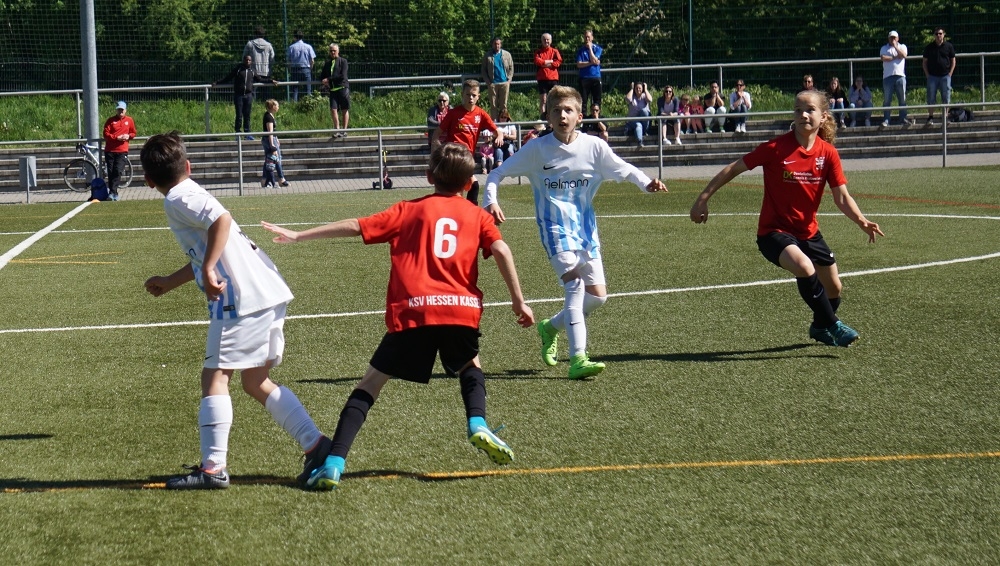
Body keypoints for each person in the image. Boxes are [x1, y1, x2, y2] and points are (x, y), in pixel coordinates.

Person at [259, 143, 535, 489]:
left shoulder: (408, 210)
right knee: (469, 366)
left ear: (428, 176)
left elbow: (356, 226)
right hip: (460, 310)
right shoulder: (478, 215)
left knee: (370, 385)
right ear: (469, 184)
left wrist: (300, 235)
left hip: (414, 311)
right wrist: (518, 301)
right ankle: (478, 423)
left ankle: (333, 462)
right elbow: (501, 249)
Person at [139, 131, 335, 491]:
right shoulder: (189, 190)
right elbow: (209, 247)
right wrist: (171, 281)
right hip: (265, 289)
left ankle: (213, 468)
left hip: (240, 299)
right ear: (188, 166)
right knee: (255, 381)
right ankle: (316, 444)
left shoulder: (178, 198)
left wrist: (208, 268)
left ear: (148, 181)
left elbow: (221, 220)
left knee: (215, 377)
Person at [483, 86, 668, 379]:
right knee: (575, 286)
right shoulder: (536, 149)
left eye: (568, 110)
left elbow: (625, 169)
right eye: (556, 110)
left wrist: (647, 183)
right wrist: (490, 201)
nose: (562, 116)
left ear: (580, 116)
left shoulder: (594, 147)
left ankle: (550, 327)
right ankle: (578, 358)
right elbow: (496, 173)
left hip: (586, 230)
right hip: (554, 229)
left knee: (598, 297)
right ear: (548, 116)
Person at [689, 90, 885, 347]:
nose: (803, 114)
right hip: (774, 233)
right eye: (798, 110)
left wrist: (861, 220)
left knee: (834, 288)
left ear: (824, 116)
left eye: (810, 110)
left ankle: (819, 326)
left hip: (809, 233)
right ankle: (833, 325)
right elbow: (733, 168)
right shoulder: (775, 148)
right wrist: (702, 199)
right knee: (805, 267)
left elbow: (842, 197)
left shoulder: (828, 154)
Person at [437, 79, 502, 205]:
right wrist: (436, 145)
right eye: (468, 95)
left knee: (469, 187)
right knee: (469, 186)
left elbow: (497, 131)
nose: (470, 98)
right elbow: (437, 133)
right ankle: (466, 212)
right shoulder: (453, 113)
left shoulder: (481, 114)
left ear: (478, 96)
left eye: (473, 95)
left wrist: (499, 136)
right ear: (462, 94)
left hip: (467, 158)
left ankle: (462, 211)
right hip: (455, 156)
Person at [213, 55, 277, 140]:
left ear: (251, 61)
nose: (248, 61)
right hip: (239, 95)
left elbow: (260, 79)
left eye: (249, 60)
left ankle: (247, 133)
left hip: (248, 96)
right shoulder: (238, 69)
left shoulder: (252, 71)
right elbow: (228, 77)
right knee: (239, 115)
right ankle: (238, 133)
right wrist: (217, 82)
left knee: (247, 115)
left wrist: (271, 80)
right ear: (243, 60)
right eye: (246, 60)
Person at [102, 100, 136, 201]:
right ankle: (113, 192)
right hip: (110, 150)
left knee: (118, 170)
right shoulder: (110, 120)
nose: (120, 111)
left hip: (122, 150)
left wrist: (128, 136)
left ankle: (112, 192)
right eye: (119, 110)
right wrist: (116, 137)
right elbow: (106, 134)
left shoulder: (129, 120)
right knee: (110, 171)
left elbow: (133, 133)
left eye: (122, 110)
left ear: (125, 110)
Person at [923, 26, 957, 125]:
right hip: (932, 76)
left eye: (940, 33)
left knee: (946, 96)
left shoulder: (949, 46)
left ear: (944, 35)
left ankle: (945, 117)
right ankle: (930, 117)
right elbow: (924, 62)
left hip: (945, 76)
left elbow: (953, 60)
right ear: (934, 35)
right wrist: (927, 75)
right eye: (936, 34)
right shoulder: (929, 47)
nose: (938, 35)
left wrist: (950, 73)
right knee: (931, 97)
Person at [880, 30, 912, 127]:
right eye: (891, 38)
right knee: (887, 100)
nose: (892, 39)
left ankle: (903, 118)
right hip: (887, 77)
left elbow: (904, 55)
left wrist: (895, 47)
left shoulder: (902, 46)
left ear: (898, 38)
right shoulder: (884, 48)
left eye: (894, 38)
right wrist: (895, 57)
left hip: (900, 76)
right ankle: (886, 119)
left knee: (902, 99)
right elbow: (883, 58)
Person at [320, 44, 350, 137]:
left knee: (344, 109)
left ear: (338, 51)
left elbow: (342, 76)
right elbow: (322, 75)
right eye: (331, 51)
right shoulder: (327, 63)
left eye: (334, 51)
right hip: (333, 90)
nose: (332, 52)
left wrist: (329, 79)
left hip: (342, 88)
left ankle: (344, 130)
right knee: (333, 109)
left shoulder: (343, 61)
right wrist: (324, 80)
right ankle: (337, 129)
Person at [481, 37, 513, 120]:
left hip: (504, 83)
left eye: (498, 44)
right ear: (492, 45)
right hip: (493, 84)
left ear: (501, 44)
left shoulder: (507, 54)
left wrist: (509, 80)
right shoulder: (487, 56)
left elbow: (511, 67)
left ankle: (504, 122)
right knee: (493, 105)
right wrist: (488, 82)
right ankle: (494, 122)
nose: (497, 46)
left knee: (504, 105)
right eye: (495, 44)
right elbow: (483, 70)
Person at [534, 33, 563, 120]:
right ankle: (543, 119)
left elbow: (558, 62)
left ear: (551, 41)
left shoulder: (555, 51)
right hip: (542, 79)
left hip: (553, 78)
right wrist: (550, 61)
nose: (546, 41)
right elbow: (538, 61)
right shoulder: (538, 52)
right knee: (543, 100)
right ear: (541, 41)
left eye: (548, 39)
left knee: (554, 99)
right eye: (544, 39)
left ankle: (554, 117)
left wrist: (545, 63)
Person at [261, 99, 289, 188]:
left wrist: (276, 138)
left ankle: (265, 180)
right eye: (277, 105)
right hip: (269, 140)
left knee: (269, 160)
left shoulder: (270, 115)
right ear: (273, 107)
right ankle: (281, 179)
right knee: (276, 159)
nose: (278, 107)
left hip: (272, 139)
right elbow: (270, 132)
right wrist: (272, 144)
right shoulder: (268, 117)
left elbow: (273, 132)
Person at [243, 26, 275, 101]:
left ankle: (253, 105)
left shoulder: (250, 44)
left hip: (253, 72)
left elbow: (244, 57)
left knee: (252, 92)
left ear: (255, 34)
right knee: (266, 94)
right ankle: (266, 105)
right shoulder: (269, 45)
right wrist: (269, 68)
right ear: (263, 35)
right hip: (266, 72)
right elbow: (272, 59)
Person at [575, 30, 603, 111]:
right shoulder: (580, 50)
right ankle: (583, 117)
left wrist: (590, 48)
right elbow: (579, 64)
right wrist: (591, 63)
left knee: (597, 101)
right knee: (583, 101)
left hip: (595, 77)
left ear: (592, 37)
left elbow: (594, 59)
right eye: (585, 37)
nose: (587, 39)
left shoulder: (597, 48)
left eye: (588, 37)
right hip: (584, 78)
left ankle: (596, 117)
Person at [286, 30, 316, 102]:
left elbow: (288, 61)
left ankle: (294, 104)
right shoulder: (308, 47)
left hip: (295, 69)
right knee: (308, 89)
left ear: (294, 37)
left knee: (294, 89)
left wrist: (290, 69)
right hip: (306, 69)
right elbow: (312, 60)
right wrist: (310, 68)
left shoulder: (291, 47)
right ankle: (308, 104)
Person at [625, 81, 653, 147]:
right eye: (636, 88)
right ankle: (640, 141)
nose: (638, 89)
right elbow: (627, 99)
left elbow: (650, 100)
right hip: (633, 120)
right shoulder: (632, 96)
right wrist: (631, 89)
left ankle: (645, 131)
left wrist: (646, 90)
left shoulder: (644, 96)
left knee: (644, 111)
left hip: (644, 122)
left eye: (640, 88)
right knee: (638, 125)